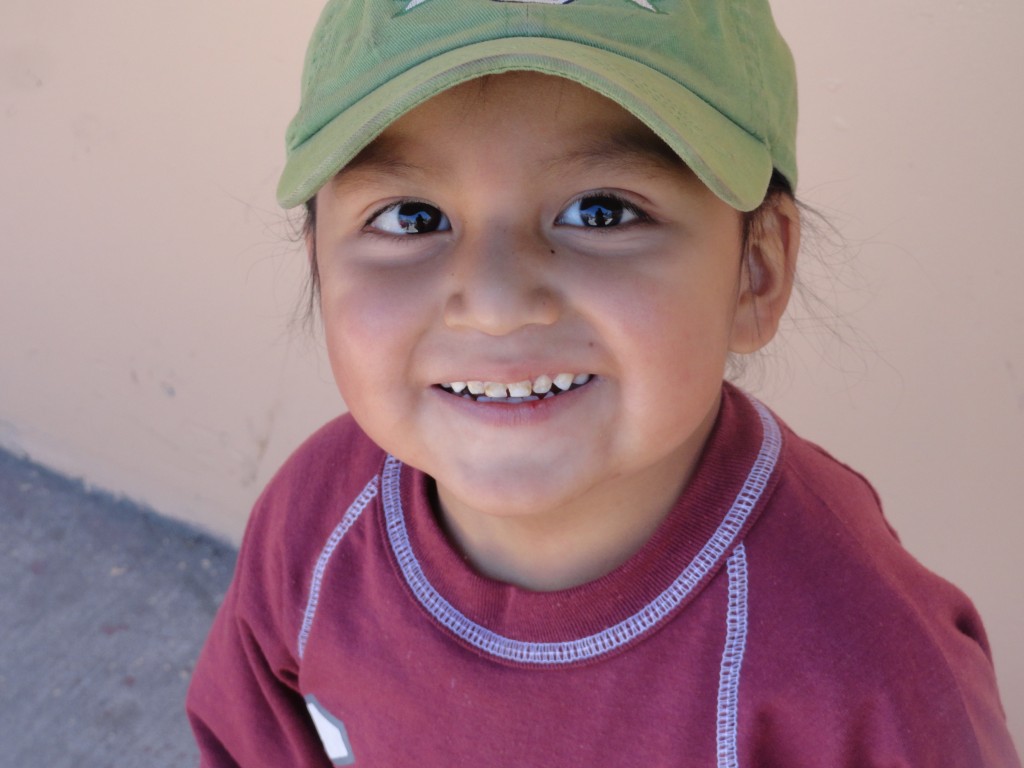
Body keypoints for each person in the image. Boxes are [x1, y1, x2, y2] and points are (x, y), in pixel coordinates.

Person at [186, 0, 1021, 765]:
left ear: (755, 272)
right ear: (320, 266)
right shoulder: (313, 528)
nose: (497, 304)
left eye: (601, 212)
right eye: (412, 218)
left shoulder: (864, 666)